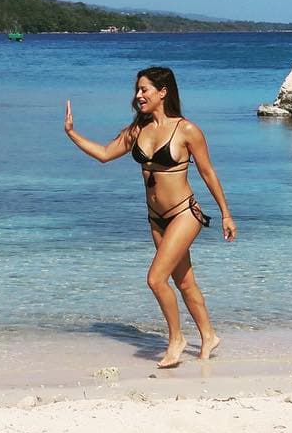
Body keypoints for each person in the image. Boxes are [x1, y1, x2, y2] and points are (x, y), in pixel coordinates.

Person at [64, 66, 236, 369]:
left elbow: (207, 172)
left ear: (163, 92)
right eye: (137, 90)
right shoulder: (137, 130)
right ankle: (209, 336)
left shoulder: (187, 130)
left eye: (145, 90)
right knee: (184, 282)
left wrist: (225, 213)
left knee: (156, 279)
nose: (138, 95)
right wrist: (72, 134)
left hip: (185, 213)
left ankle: (176, 340)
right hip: (156, 217)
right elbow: (104, 154)